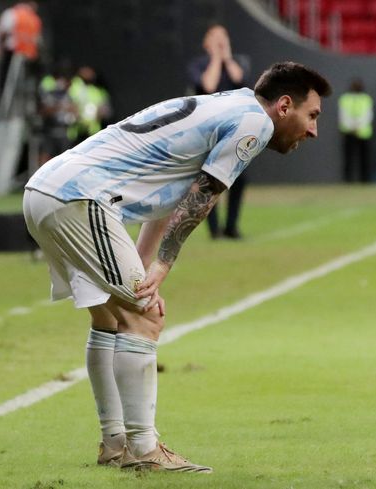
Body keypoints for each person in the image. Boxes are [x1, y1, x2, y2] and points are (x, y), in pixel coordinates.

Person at [23, 61, 331, 473]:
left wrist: (146, 266)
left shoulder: (228, 105)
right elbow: (201, 197)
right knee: (144, 318)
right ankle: (145, 450)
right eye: (312, 115)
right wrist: (164, 267)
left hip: (46, 191)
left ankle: (115, 444)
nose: (313, 130)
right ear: (284, 105)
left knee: (111, 314)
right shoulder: (253, 124)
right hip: (80, 198)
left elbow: (171, 197)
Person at [187, 24, 251, 239]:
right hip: (208, 130)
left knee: (239, 178)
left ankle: (231, 225)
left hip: (234, 129)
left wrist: (227, 57)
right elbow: (208, 86)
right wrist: (215, 58)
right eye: (216, 38)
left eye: (224, 37)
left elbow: (239, 80)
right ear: (206, 42)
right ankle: (214, 229)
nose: (221, 41)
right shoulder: (199, 65)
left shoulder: (236, 63)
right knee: (209, 179)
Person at [0, 1, 42, 103]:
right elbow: (37, 40)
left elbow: (3, 32)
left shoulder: (12, 13)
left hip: (13, 54)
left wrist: (0, 48)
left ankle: (4, 108)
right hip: (29, 57)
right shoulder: (35, 19)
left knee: (6, 85)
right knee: (25, 87)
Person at [38, 61, 77, 164]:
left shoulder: (69, 96)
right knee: (46, 156)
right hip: (50, 130)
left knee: (65, 159)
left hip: (65, 131)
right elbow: (44, 111)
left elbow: (75, 112)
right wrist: (58, 106)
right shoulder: (50, 95)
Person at [338, 78, 373, 183]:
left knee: (364, 159)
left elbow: (368, 116)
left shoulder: (366, 99)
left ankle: (365, 181)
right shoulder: (345, 99)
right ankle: (348, 181)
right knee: (348, 159)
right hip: (349, 132)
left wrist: (358, 127)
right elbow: (343, 115)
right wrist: (351, 127)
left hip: (363, 133)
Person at [68, 65, 111, 144]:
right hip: (76, 130)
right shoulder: (75, 85)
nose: (89, 74)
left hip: (92, 131)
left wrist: (99, 113)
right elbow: (71, 103)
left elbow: (105, 111)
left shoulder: (98, 91)